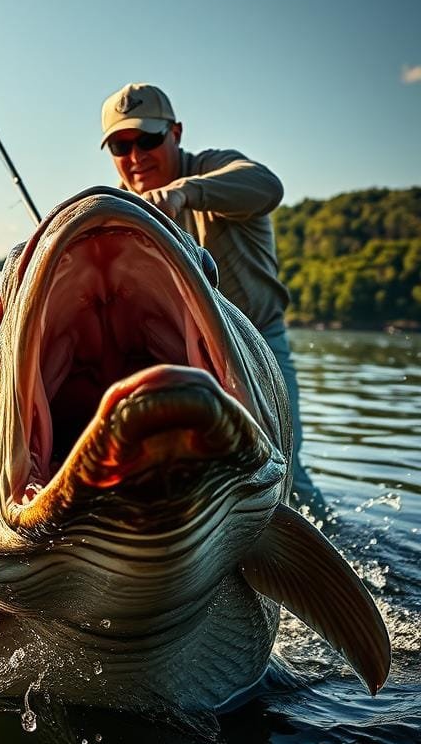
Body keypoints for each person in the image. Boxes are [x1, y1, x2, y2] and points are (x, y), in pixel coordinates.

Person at [99, 81, 325, 517]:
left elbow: (268, 187)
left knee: (282, 475)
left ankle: (332, 563)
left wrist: (186, 192)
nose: (136, 156)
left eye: (148, 139)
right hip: (178, 355)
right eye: (121, 146)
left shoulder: (215, 169)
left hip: (258, 346)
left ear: (176, 133)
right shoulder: (122, 206)